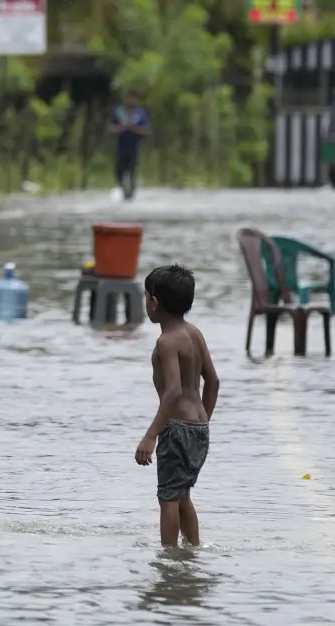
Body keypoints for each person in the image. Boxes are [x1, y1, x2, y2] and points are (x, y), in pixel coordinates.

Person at [135, 264, 219, 548]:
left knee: (168, 497)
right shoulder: (195, 333)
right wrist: (203, 421)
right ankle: (193, 550)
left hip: (178, 429)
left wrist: (151, 434)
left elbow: (172, 392)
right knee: (182, 494)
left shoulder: (166, 342)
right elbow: (214, 381)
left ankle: (169, 559)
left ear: (154, 303)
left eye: (146, 296)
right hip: (199, 427)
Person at [109, 89, 151, 200]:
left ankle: (130, 193)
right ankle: (122, 189)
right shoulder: (118, 112)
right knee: (119, 170)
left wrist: (133, 128)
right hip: (121, 146)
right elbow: (110, 128)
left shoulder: (141, 114)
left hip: (134, 146)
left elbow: (147, 130)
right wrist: (121, 128)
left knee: (132, 170)